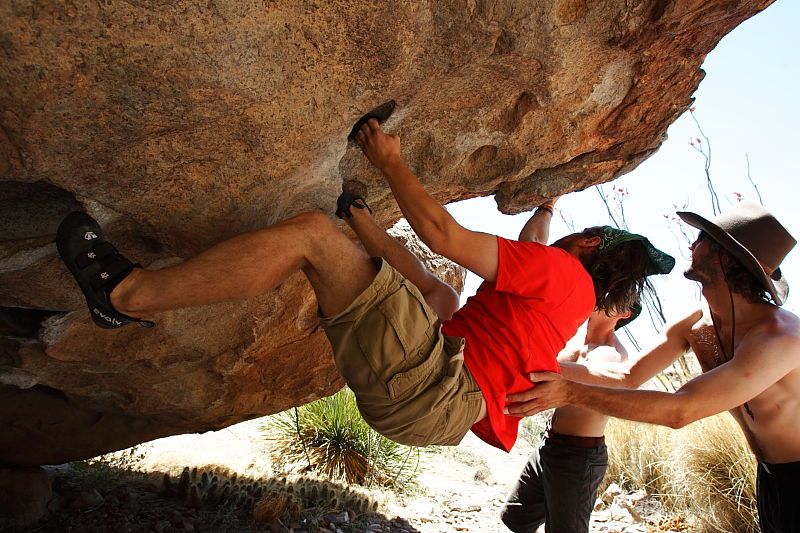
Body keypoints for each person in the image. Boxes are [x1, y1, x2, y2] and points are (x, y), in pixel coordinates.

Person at [55, 119, 670, 451]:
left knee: (312, 236)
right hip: (438, 411)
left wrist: (391, 161)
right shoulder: (564, 299)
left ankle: (124, 296)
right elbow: (467, 265)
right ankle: (362, 227)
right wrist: (548, 205)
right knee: (441, 296)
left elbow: (445, 237)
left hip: (433, 391)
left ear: (587, 246)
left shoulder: (562, 273)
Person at [505, 202, 800, 532]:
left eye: (702, 238)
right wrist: (526, 364)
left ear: (725, 257)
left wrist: (569, 392)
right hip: (771, 476)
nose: (690, 245)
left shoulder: (780, 338)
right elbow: (629, 376)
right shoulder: (695, 322)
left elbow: (680, 411)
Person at [500, 305, 638, 533]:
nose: (603, 298)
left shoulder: (613, 353)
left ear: (625, 314)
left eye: (615, 297)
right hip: (548, 444)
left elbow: (587, 377)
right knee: (516, 518)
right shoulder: (573, 339)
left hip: (579, 458)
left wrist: (529, 365)